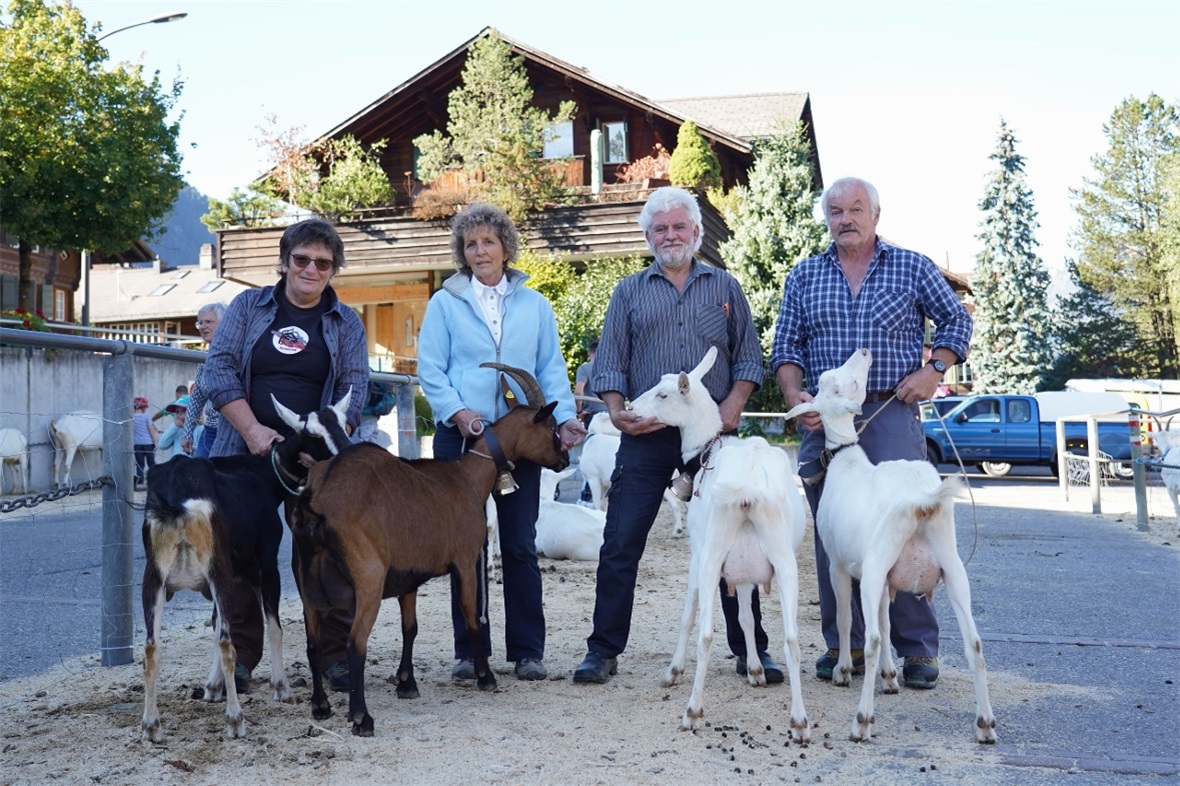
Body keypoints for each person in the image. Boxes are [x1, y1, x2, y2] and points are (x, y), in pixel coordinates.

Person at [770, 176, 973, 689]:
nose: (845, 219)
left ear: (876, 214)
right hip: (826, 424)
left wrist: (935, 369)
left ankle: (919, 651)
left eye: (855, 209)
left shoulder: (912, 266)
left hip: (890, 416)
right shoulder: (804, 275)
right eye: (835, 211)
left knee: (909, 526)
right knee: (834, 534)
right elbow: (786, 349)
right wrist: (797, 397)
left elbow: (956, 321)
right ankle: (847, 646)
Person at [573, 186, 780, 685]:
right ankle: (602, 651)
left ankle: (749, 649)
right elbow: (611, 366)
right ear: (648, 237)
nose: (671, 236)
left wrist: (731, 407)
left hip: (711, 442)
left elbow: (750, 358)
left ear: (696, 232)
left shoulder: (725, 287)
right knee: (620, 540)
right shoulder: (628, 292)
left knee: (732, 539)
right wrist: (619, 413)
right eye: (660, 229)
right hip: (647, 436)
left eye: (679, 227)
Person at [418, 202, 586, 683]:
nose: (479, 251)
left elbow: (552, 370)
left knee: (518, 544)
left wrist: (566, 420)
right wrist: (460, 413)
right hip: (462, 441)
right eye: (470, 244)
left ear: (505, 246)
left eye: (488, 241)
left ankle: (528, 651)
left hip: (521, 442)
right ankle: (470, 651)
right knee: (463, 549)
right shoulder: (444, 303)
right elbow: (431, 369)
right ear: (462, 252)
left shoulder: (535, 305)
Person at [203, 218, 368, 694]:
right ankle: (240, 659)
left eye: (323, 262)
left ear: (333, 269)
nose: (311, 269)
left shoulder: (346, 322)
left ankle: (334, 656)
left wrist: (327, 445)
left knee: (328, 554)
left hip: (314, 455)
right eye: (302, 259)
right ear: (285, 261)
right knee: (235, 557)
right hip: (243, 446)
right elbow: (218, 369)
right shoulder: (247, 306)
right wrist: (253, 430)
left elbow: (354, 390)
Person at [182, 302, 227, 458]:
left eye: (208, 322)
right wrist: (188, 432)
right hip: (210, 432)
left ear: (225, 322)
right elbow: (197, 397)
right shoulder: (203, 357)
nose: (202, 327)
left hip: (235, 433)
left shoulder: (238, 354)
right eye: (200, 323)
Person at [574, 339, 606, 502]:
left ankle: (586, 497)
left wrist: (578, 410)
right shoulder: (608, 368)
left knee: (591, 460)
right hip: (611, 417)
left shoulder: (585, 368)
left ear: (590, 353)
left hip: (593, 419)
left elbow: (579, 390)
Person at [131, 397, 158, 489]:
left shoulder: (131, 418)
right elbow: (151, 430)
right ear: (143, 407)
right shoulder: (146, 417)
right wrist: (155, 443)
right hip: (148, 443)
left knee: (140, 464)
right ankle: (153, 480)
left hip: (137, 444)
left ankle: (140, 482)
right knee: (151, 463)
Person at [156, 396, 192, 460]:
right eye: (177, 412)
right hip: (174, 468)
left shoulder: (200, 429)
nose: (180, 414)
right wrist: (174, 426)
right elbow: (162, 445)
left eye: (184, 410)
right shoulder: (176, 429)